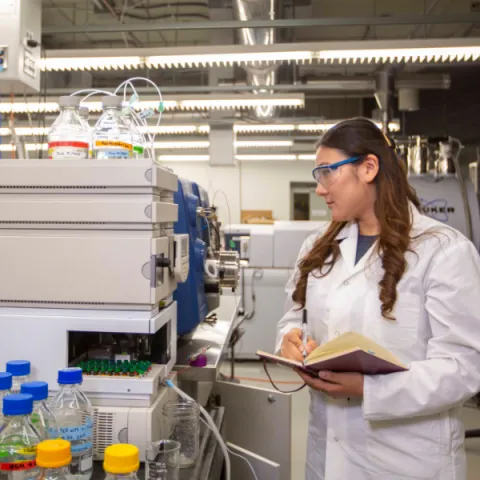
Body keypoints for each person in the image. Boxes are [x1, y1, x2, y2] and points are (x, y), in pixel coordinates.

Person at [275, 117, 480, 480]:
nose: (320, 189)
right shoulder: (318, 247)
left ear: (369, 167)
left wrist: (371, 388)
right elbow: (294, 316)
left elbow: (465, 367)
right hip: (327, 453)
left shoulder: (442, 251)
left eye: (327, 172)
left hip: (406, 460)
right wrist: (289, 339)